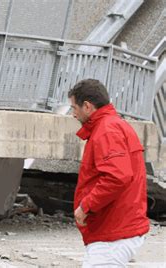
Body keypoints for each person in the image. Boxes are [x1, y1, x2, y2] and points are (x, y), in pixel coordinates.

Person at [68, 79, 149, 267]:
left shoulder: (106, 130)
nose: (73, 114)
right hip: (115, 229)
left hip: (114, 233)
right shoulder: (112, 126)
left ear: (87, 106)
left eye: (74, 108)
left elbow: (117, 176)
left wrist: (85, 206)